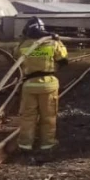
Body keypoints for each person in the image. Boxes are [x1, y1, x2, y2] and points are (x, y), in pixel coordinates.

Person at [16, 17, 68, 151]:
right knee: (48, 116)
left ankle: (25, 145)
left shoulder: (24, 45)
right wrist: (58, 40)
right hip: (48, 85)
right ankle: (47, 144)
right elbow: (63, 58)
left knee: (28, 116)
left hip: (29, 85)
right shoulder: (52, 43)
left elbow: (15, 56)